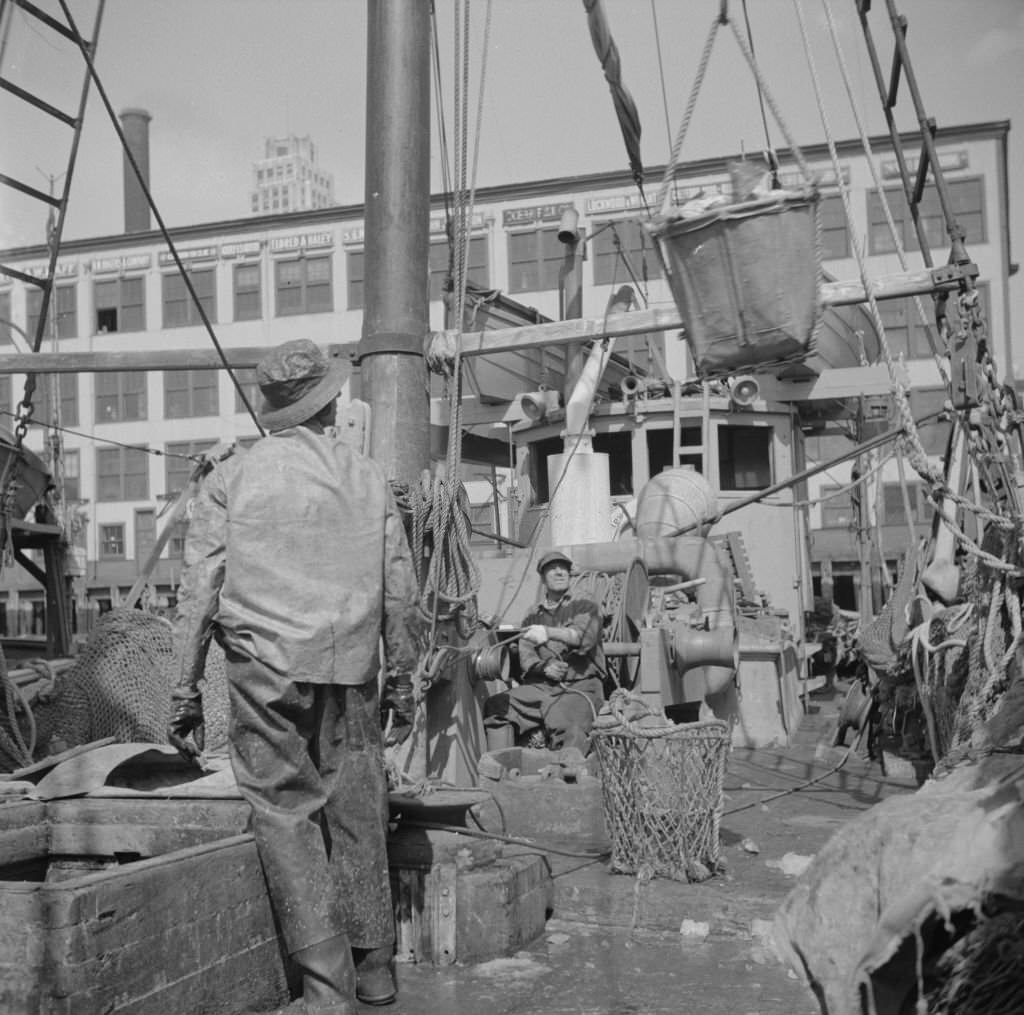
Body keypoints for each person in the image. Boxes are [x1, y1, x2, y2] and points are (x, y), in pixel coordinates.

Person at [167, 339, 419, 1015]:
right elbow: (401, 585)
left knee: (285, 812)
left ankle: (326, 988)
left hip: (264, 671)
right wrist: (403, 680)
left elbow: (197, 592)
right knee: (358, 804)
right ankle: (375, 971)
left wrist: (183, 689)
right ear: (331, 401)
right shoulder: (366, 475)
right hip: (350, 665)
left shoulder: (230, 476)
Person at [483, 550, 605, 754]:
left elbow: (583, 637)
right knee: (497, 706)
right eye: (552, 569)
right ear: (542, 577)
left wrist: (548, 632)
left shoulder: (585, 604)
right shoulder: (532, 614)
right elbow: (526, 653)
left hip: (581, 685)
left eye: (564, 568)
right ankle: (500, 770)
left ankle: (568, 779)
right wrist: (544, 667)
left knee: (570, 725)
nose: (559, 572)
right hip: (542, 686)